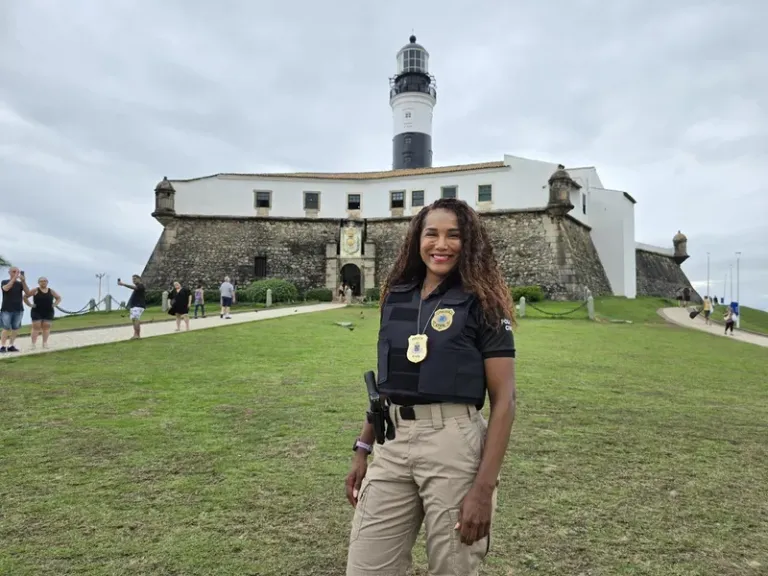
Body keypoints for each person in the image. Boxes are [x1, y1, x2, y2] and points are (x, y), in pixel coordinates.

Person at [344, 198, 517, 575]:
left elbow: (505, 402)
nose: (441, 245)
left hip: (453, 441)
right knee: (367, 566)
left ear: (469, 242)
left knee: (452, 567)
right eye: (432, 234)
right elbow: (387, 384)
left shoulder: (484, 303)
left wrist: (483, 490)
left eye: (454, 235)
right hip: (393, 441)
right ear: (416, 240)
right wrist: (363, 447)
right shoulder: (396, 297)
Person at [23, 276, 62, 349]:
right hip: (37, 311)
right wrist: (30, 304)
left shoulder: (51, 291)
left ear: (47, 282)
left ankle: (45, 343)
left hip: (48, 311)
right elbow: (25, 297)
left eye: (45, 281)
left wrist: (54, 304)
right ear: (38, 283)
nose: (43, 282)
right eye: (41, 281)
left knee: (46, 327)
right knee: (36, 327)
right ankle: (33, 344)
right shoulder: (35, 290)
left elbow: (58, 298)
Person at [1, 266, 31, 353]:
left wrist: (24, 281)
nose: (16, 273)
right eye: (14, 272)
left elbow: (28, 293)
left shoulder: (20, 284)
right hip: (6, 309)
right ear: (9, 272)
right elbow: (6, 288)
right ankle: (2, 346)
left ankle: (11, 345)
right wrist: (14, 278)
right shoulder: (4, 282)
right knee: (6, 328)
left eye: (17, 272)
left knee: (15, 328)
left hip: (18, 309)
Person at [118, 275, 147, 339]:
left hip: (138, 305)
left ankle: (137, 335)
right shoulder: (138, 286)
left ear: (139, 279)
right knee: (134, 319)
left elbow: (134, 288)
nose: (133, 280)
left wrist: (123, 284)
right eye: (133, 279)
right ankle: (135, 334)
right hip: (135, 306)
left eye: (135, 279)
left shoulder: (141, 286)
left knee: (136, 319)